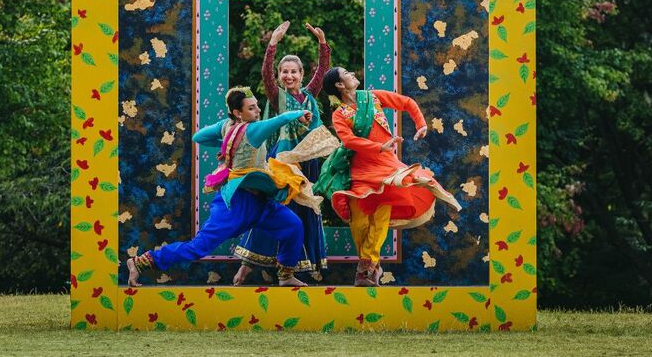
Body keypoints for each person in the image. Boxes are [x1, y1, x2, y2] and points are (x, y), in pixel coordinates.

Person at [126, 86, 318, 287]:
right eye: (251, 108)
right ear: (238, 113)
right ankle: (140, 263)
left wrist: (226, 142)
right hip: (236, 203)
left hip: (260, 201)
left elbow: (198, 137)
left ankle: (286, 275)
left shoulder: (227, 125)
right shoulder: (253, 129)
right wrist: (300, 113)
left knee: (293, 226)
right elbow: (279, 120)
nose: (258, 111)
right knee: (198, 247)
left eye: (257, 106)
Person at [316, 67, 462, 287]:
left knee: (380, 216)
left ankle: (366, 266)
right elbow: (349, 141)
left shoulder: (372, 97)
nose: (353, 74)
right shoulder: (339, 115)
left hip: (386, 168)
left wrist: (421, 124)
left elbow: (406, 102)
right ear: (339, 85)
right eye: (347, 73)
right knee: (360, 221)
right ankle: (371, 264)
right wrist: (379, 146)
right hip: (361, 169)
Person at [232, 21, 330, 285]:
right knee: (272, 210)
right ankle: (246, 267)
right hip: (283, 162)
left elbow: (322, 71)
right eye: (284, 72)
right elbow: (265, 73)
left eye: (294, 72)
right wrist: (273, 43)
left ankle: (290, 271)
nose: (289, 76)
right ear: (279, 76)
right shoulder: (277, 96)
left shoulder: (310, 95)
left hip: (305, 162)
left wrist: (322, 44)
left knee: (302, 214)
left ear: (301, 74)